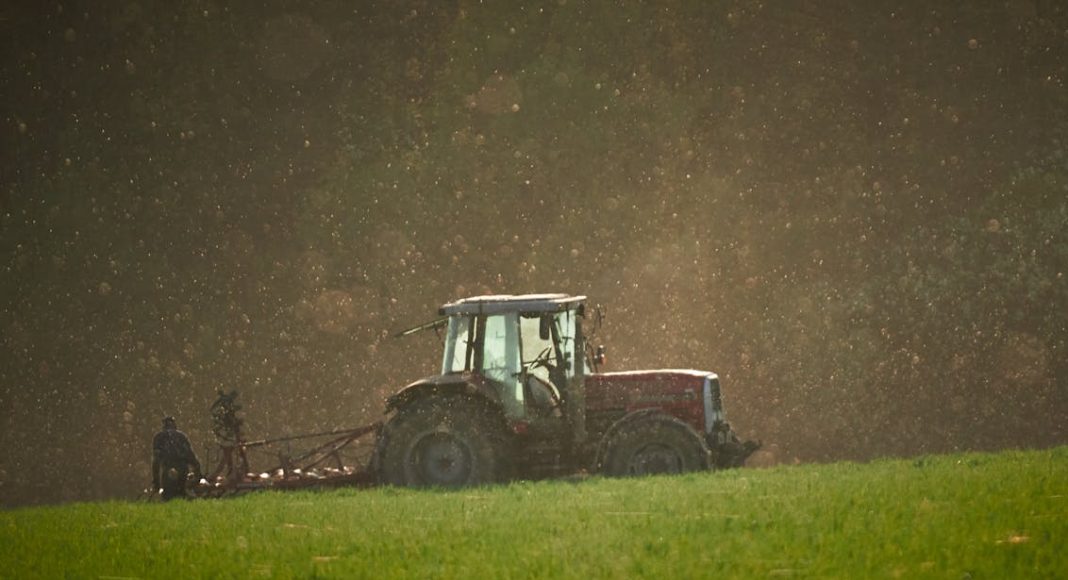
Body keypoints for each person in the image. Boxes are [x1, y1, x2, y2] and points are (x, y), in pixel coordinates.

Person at [151, 416, 202, 500]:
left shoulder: (159, 437)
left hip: (168, 469)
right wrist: (198, 473)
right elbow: (191, 456)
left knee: (168, 496)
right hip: (182, 468)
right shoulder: (181, 436)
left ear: (163, 426)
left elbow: (156, 461)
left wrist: (156, 481)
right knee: (182, 493)